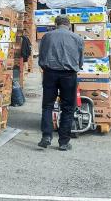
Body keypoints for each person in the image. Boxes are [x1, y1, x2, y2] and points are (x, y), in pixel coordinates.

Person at [37, 15, 83, 151]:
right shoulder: (77, 38)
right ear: (69, 25)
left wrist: (45, 67)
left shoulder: (47, 36)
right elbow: (80, 61)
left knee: (47, 106)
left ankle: (46, 136)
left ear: (56, 24)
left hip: (50, 73)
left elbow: (41, 55)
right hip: (69, 75)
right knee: (68, 108)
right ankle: (63, 142)